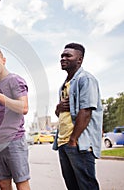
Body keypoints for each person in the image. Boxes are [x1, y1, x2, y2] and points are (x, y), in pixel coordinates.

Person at [52, 43, 103, 190]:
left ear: (79, 60)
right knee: (73, 186)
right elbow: (62, 113)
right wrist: (58, 108)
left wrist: (73, 140)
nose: (63, 58)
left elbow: (86, 111)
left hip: (79, 144)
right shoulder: (65, 84)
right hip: (63, 143)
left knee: (86, 186)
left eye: (68, 55)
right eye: (62, 55)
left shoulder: (85, 79)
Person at [0, 46, 30, 190]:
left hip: (14, 140)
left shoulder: (15, 80)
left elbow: (24, 108)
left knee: (21, 183)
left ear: (4, 60)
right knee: (3, 183)